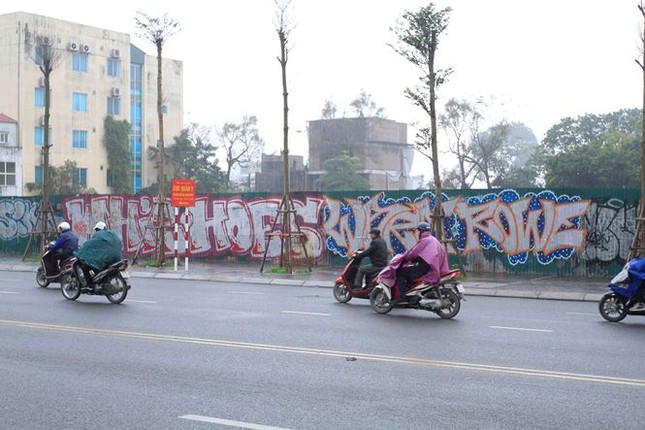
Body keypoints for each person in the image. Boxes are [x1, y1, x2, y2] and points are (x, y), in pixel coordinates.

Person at [394, 221, 449, 303]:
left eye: (418, 231)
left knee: (401, 272)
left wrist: (405, 258)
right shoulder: (433, 239)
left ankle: (402, 297)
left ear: (421, 231)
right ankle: (412, 292)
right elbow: (425, 254)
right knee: (409, 272)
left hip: (426, 268)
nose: (418, 233)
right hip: (433, 267)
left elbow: (414, 252)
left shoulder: (425, 240)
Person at [73, 221, 123, 287]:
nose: (96, 231)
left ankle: (89, 284)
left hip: (107, 259)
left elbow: (89, 244)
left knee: (85, 266)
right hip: (117, 259)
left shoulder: (98, 235)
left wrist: (80, 252)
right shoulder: (112, 234)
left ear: (98, 229)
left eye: (96, 229)